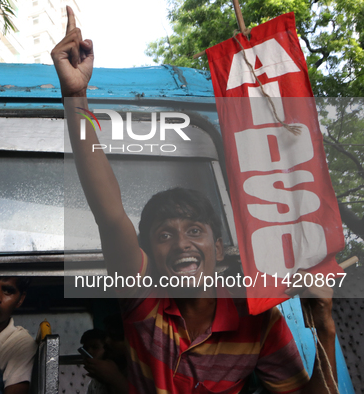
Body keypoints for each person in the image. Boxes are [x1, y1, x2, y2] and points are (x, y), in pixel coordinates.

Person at [51, 6, 338, 394]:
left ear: (218, 249)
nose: (182, 242)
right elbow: (109, 212)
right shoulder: (144, 301)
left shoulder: (258, 321)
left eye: (195, 231)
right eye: (164, 235)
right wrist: (76, 98)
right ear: (148, 251)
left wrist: (324, 323)